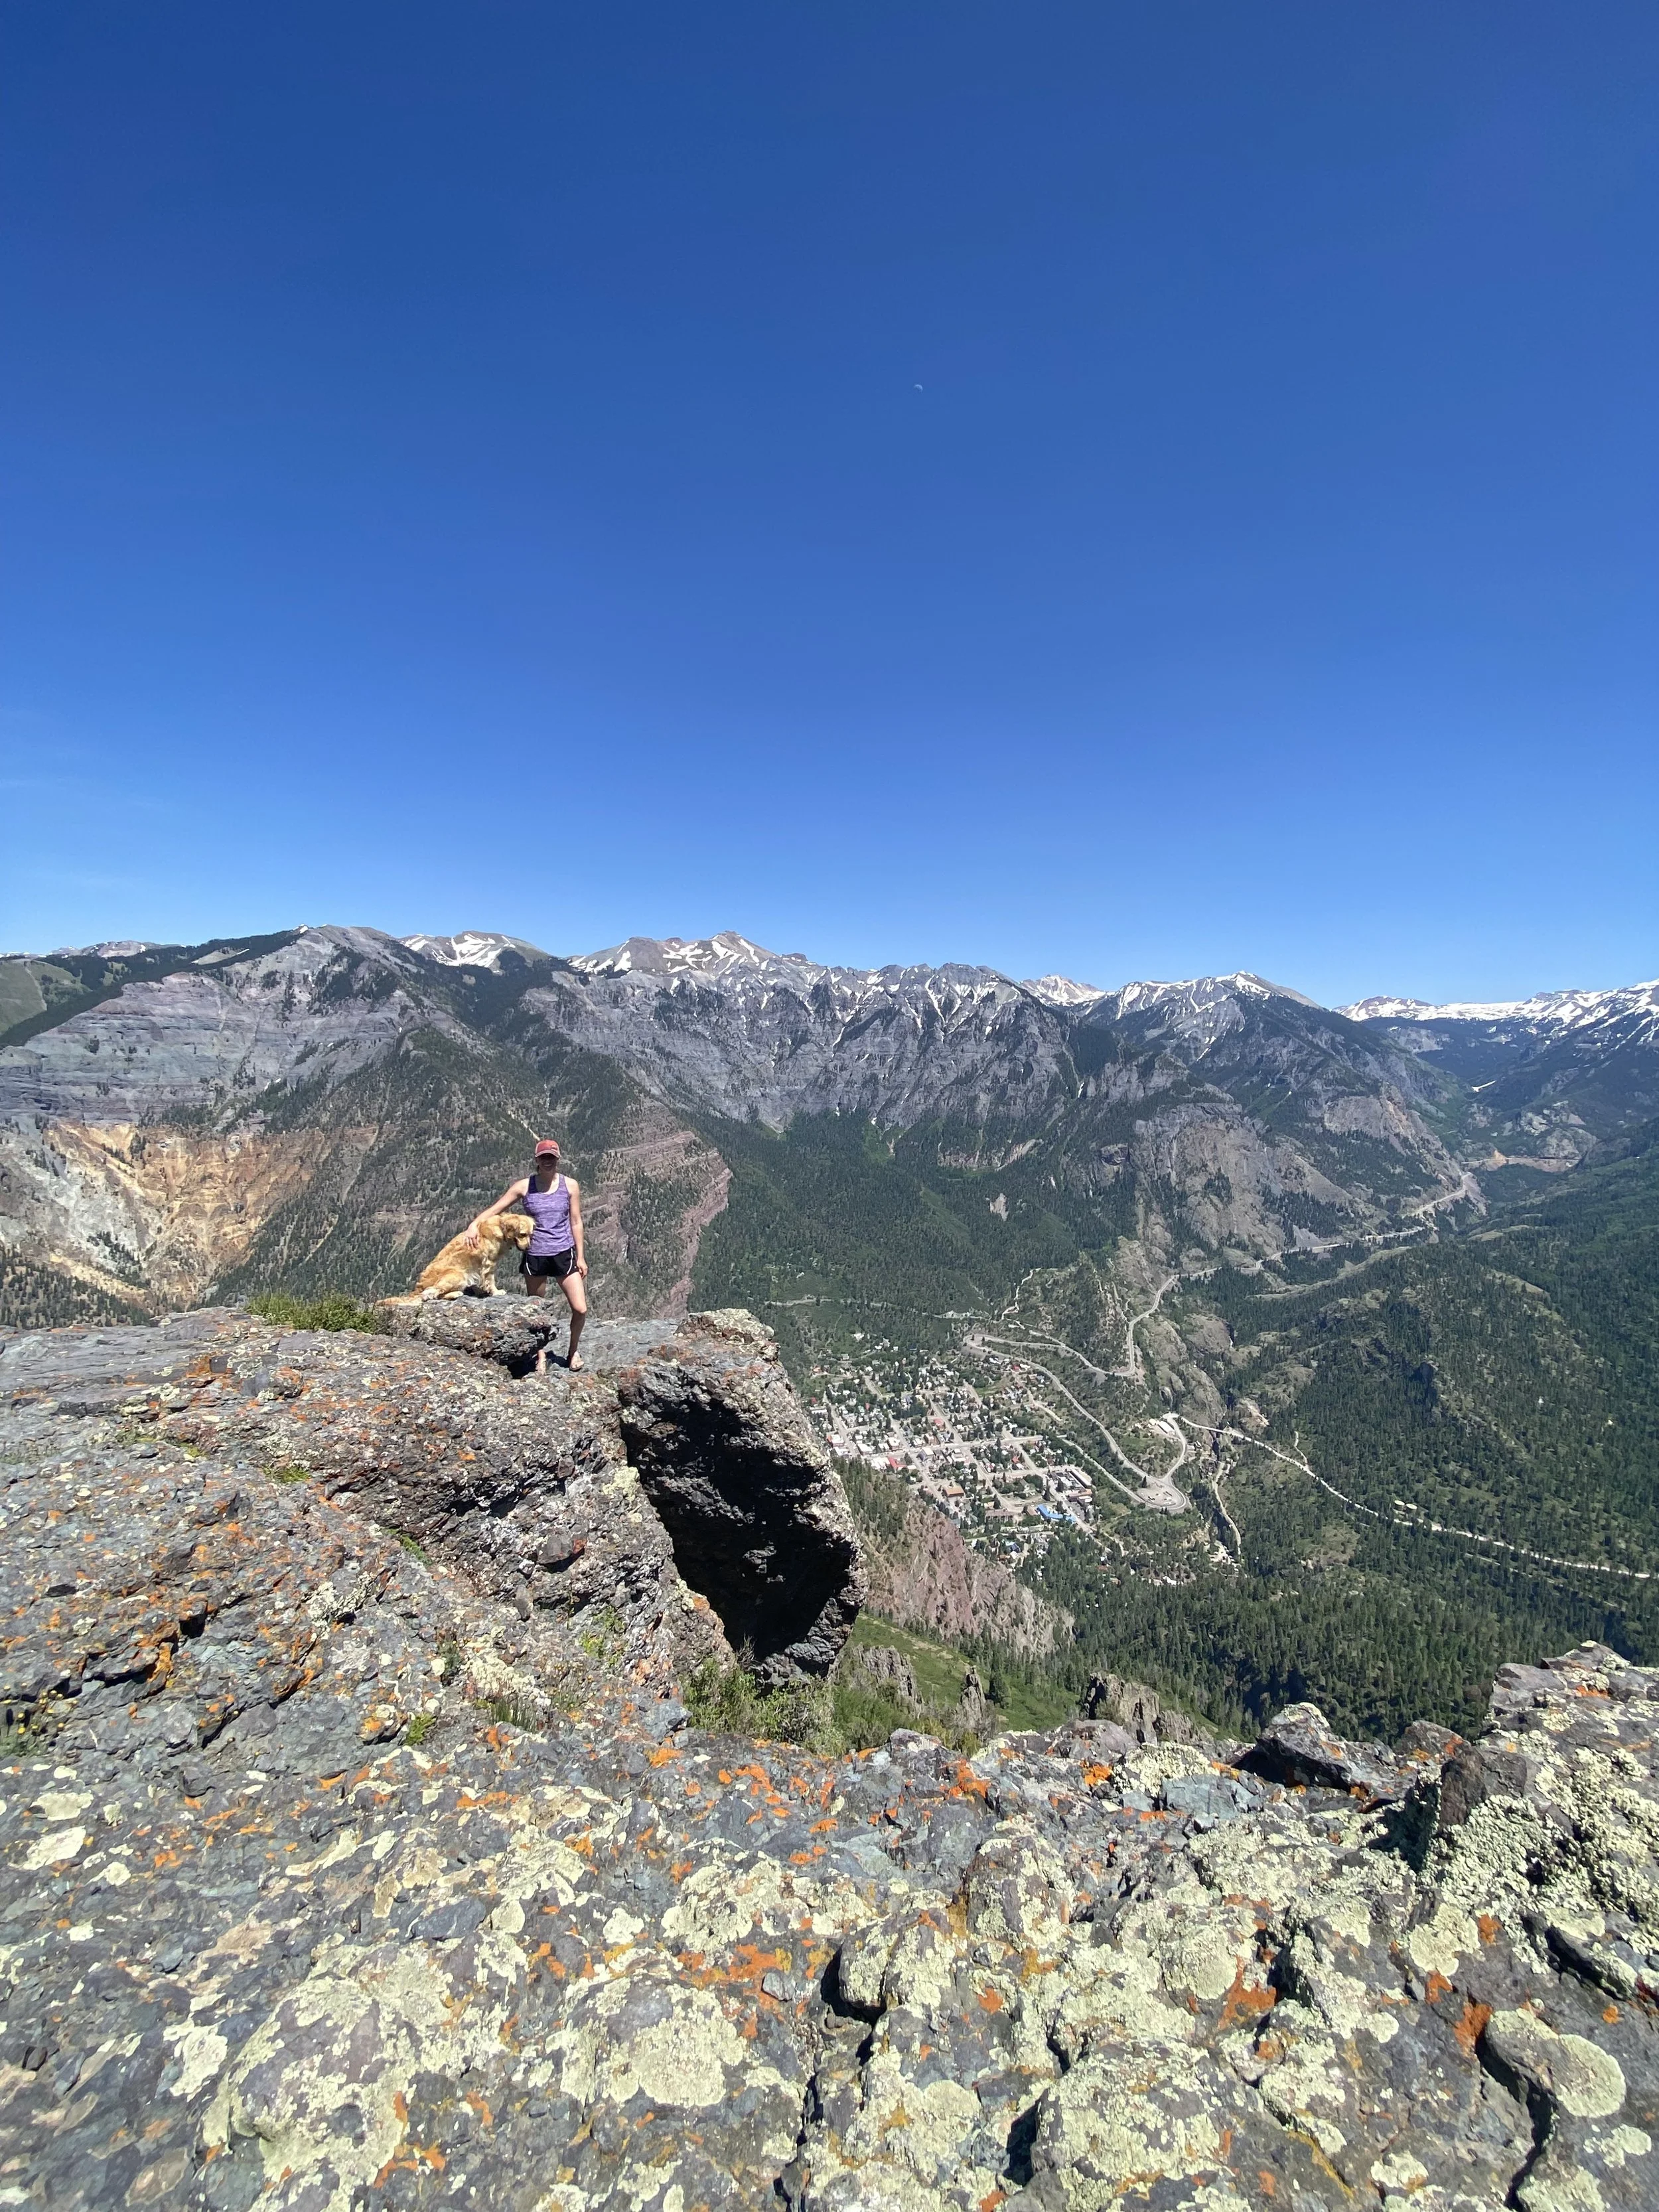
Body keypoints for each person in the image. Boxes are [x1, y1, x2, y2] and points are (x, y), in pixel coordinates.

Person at [464, 1139, 588, 1370]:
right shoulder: (524, 1187)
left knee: (580, 1308)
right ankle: (540, 1355)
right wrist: (474, 1225)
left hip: (564, 1253)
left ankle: (573, 1352)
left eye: (552, 1157)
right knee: (537, 1310)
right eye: (544, 1158)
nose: (548, 1161)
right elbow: (496, 1209)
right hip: (536, 1255)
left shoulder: (570, 1186)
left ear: (558, 1159)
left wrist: (580, 1256)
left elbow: (576, 1221)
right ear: (537, 1160)